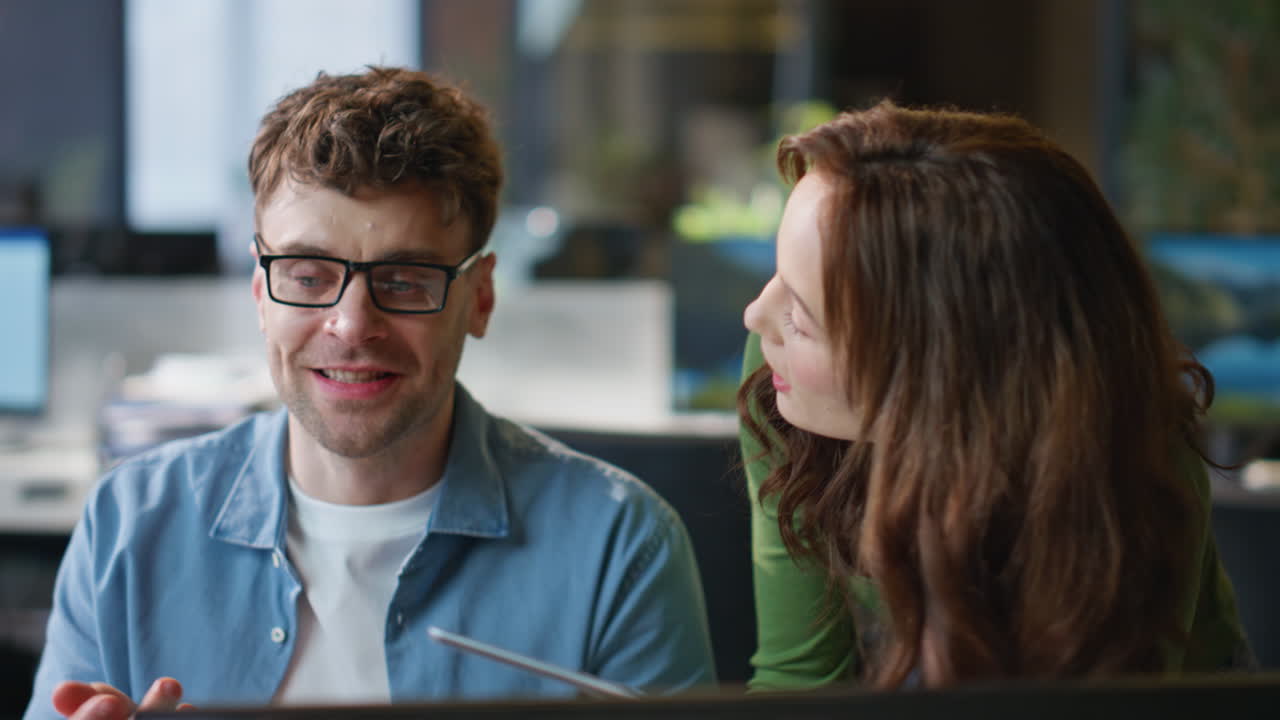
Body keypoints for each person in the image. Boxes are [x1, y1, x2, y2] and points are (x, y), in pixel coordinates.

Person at [27, 67, 715, 720]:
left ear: (480, 297)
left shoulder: (619, 546)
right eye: (306, 273)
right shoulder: (128, 524)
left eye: (407, 279)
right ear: (262, 292)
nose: (353, 324)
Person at [738, 100, 1251, 691]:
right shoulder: (781, 380)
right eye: (775, 275)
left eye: (801, 317)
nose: (757, 316)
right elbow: (798, 679)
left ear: (938, 365)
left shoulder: (1129, 454)